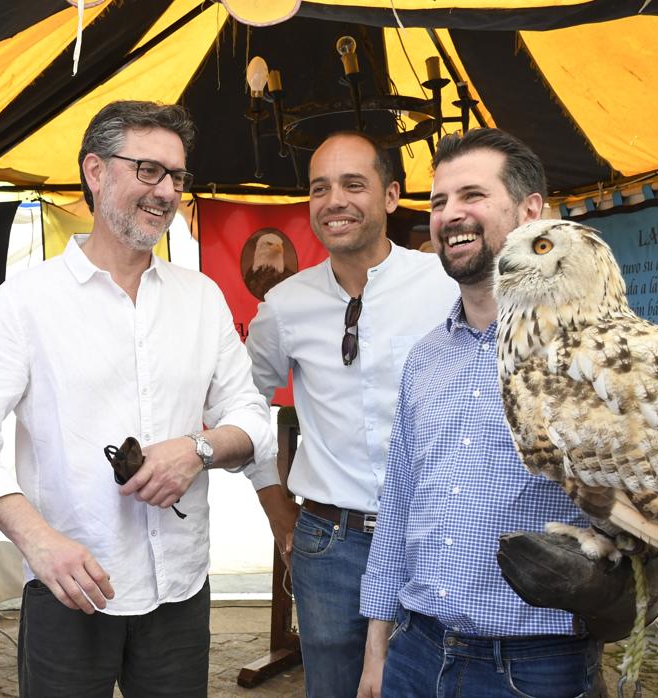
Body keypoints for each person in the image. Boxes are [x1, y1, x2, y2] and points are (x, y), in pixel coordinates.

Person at [0, 100, 274, 697]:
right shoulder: (28, 302)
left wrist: (197, 448)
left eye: (176, 176)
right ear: (95, 171)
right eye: (148, 170)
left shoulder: (200, 297)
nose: (166, 190)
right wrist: (38, 542)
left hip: (180, 589)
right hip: (70, 587)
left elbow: (251, 417)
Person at [358, 128, 599, 697]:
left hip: (534, 665)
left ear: (530, 211)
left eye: (472, 196)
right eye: (439, 202)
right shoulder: (427, 358)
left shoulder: (589, 354)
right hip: (416, 653)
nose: (449, 215)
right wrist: (377, 651)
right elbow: (397, 506)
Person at [244, 131, 458, 697]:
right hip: (329, 546)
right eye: (320, 188)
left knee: (429, 683)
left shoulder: (445, 286)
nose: (334, 200)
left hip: (430, 535)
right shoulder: (284, 305)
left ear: (390, 196)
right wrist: (276, 509)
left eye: (352, 184)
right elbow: (242, 408)